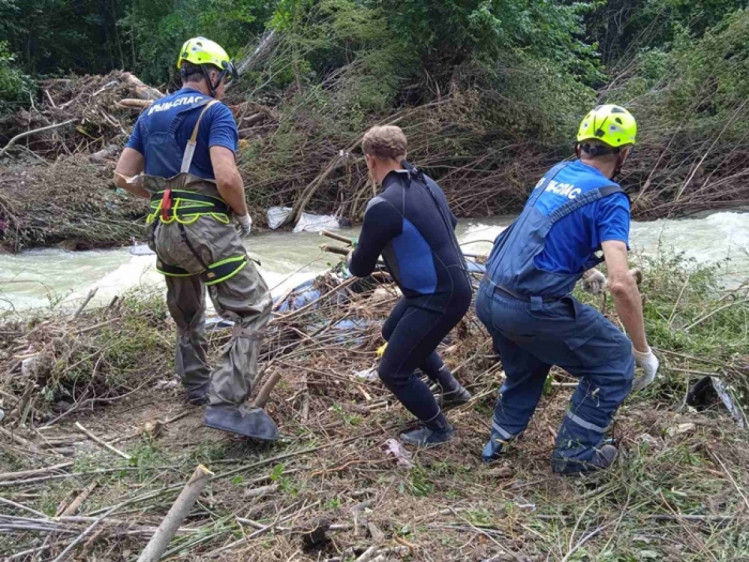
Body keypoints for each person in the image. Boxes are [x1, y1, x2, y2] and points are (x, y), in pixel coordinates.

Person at [476, 105, 660, 474]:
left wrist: (584, 269)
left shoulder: (556, 172)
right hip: (528, 308)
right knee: (613, 363)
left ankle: (498, 442)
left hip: (488, 295)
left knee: (527, 362)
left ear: (580, 147)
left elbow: (544, 235)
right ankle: (574, 458)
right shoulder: (611, 199)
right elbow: (622, 284)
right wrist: (641, 350)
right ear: (624, 154)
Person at [114, 37, 277, 441]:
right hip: (203, 226)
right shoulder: (214, 111)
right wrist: (241, 214)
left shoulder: (151, 112)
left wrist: (159, 195)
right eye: (223, 79)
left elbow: (121, 177)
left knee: (187, 311)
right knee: (253, 307)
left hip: (161, 227)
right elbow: (226, 177)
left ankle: (195, 386)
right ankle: (226, 402)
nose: (224, 87)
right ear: (212, 74)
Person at [348, 125, 472, 447]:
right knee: (392, 331)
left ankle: (439, 429)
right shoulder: (427, 183)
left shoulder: (383, 204)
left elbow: (359, 268)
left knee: (393, 371)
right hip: (447, 287)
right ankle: (452, 389)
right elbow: (451, 224)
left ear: (371, 160)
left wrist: (357, 251)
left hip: (437, 296)